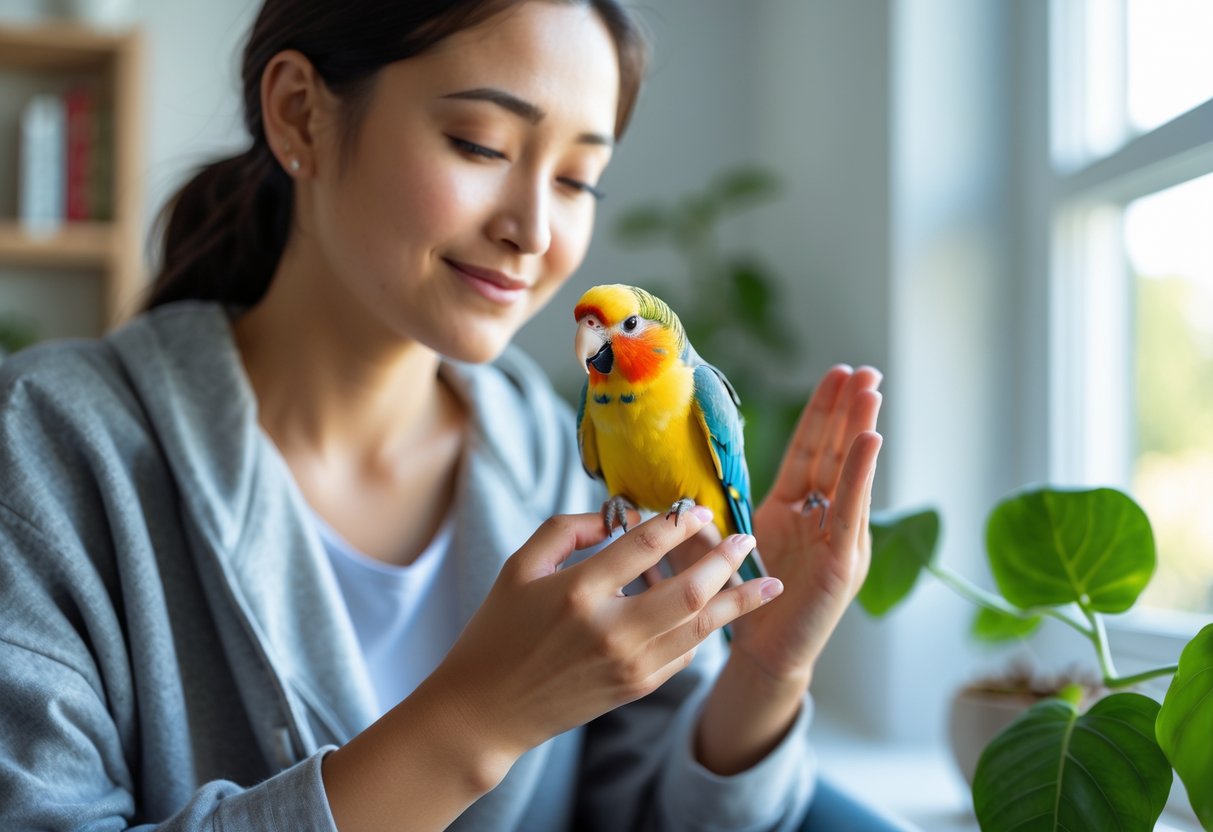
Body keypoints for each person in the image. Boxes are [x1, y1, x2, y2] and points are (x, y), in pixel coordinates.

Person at [0, 1, 884, 829]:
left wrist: (765, 668)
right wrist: (478, 719)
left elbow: (645, 804)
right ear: (300, 114)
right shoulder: (43, 447)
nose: (534, 231)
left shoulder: (546, 447)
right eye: (479, 144)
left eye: (578, 180)